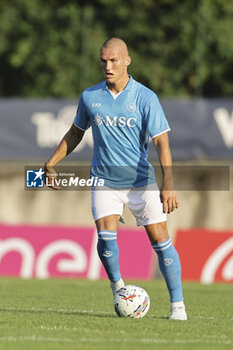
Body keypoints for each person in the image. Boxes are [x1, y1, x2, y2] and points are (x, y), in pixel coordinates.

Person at [44, 37, 187, 320]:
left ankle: (178, 306)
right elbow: (76, 133)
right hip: (103, 180)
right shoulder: (90, 96)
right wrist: (51, 162)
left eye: (113, 61)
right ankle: (119, 289)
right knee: (106, 237)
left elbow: (162, 143)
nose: (107, 66)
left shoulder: (146, 97)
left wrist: (168, 183)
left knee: (160, 241)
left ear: (127, 61)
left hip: (140, 181)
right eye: (103, 61)